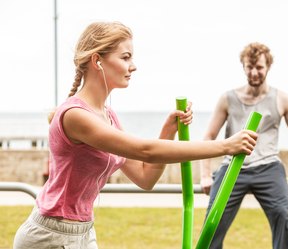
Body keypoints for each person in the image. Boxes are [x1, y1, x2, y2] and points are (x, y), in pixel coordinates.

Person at [13, 22, 258, 249]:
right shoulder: (76, 115)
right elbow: (146, 150)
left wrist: (167, 131)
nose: (133, 65)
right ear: (97, 60)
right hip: (50, 236)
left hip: (84, 233)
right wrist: (225, 146)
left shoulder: (108, 117)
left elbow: (145, 177)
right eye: (125, 57)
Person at [200, 42, 288, 249]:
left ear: (268, 67)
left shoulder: (283, 99)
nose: (254, 72)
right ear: (243, 67)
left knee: (282, 216)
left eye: (259, 67)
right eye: (249, 67)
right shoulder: (228, 99)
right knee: (213, 221)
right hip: (232, 167)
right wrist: (205, 174)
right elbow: (209, 136)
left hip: (268, 167)